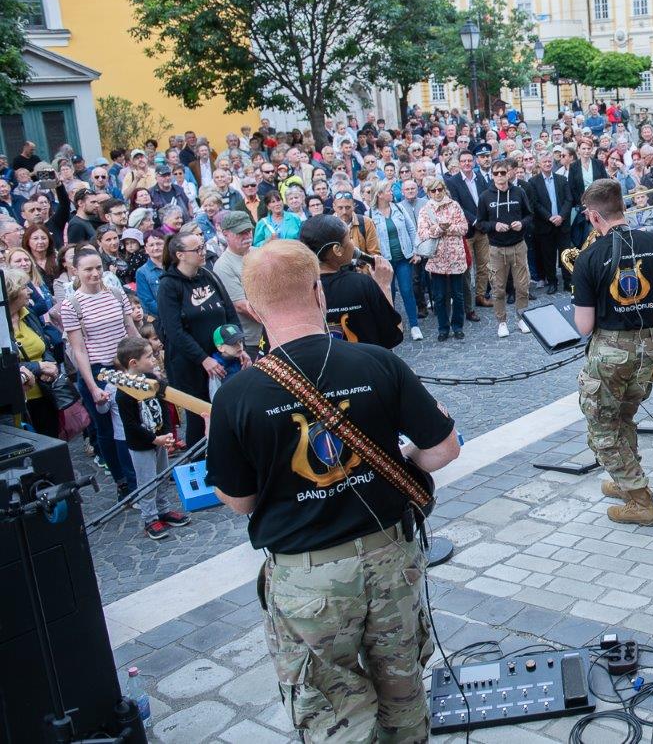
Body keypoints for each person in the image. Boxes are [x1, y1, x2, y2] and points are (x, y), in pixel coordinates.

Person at [204, 239, 461, 744]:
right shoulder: (377, 363)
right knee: (404, 691)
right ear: (318, 292)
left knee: (332, 713)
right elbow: (444, 449)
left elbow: (239, 501)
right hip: (390, 556)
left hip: (308, 579)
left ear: (252, 309)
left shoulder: (236, 395)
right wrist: (400, 460)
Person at [572, 179, 653, 526]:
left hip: (609, 353)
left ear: (594, 216)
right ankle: (626, 479)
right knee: (623, 418)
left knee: (602, 428)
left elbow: (584, 326)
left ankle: (641, 500)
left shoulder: (589, 257)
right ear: (622, 207)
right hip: (648, 348)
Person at [61, 247, 140, 501]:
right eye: (88, 269)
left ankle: (141, 476)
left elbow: (131, 330)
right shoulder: (71, 304)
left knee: (133, 422)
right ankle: (123, 482)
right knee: (107, 430)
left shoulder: (116, 294)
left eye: (98, 268)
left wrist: (147, 361)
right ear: (76, 271)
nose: (95, 274)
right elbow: (79, 350)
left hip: (124, 366)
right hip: (98, 371)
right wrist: (93, 386)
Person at [156, 230, 242, 444]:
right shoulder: (169, 285)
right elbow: (174, 331)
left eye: (203, 247)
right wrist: (203, 359)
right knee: (199, 418)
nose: (203, 252)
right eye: (197, 249)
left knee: (228, 413)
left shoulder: (209, 275)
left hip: (223, 359)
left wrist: (239, 347)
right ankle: (199, 460)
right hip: (190, 365)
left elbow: (230, 313)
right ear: (180, 255)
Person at [110, 336, 189, 540]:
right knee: (147, 482)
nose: (154, 359)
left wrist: (168, 433)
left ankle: (163, 510)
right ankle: (150, 518)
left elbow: (164, 406)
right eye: (149, 356)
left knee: (163, 476)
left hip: (160, 439)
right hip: (142, 445)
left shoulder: (152, 380)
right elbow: (131, 425)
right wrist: (155, 439)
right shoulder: (124, 392)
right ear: (133, 363)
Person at [299, 214, 402, 348]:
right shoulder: (362, 284)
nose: (353, 243)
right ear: (337, 250)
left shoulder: (299, 289)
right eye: (349, 238)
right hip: (365, 359)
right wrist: (384, 285)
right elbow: (393, 335)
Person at [477, 159, 533, 338]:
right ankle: (501, 322)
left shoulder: (519, 192)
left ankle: (522, 318)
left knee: (522, 286)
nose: (500, 176)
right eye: (496, 173)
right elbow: (480, 223)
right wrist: (494, 226)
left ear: (508, 173)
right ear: (492, 175)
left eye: (503, 172)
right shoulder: (485, 196)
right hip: (496, 249)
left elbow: (529, 215)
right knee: (498, 288)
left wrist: (522, 223)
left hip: (518, 246)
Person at [7, 269, 60, 437]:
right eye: (24, 287)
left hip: (44, 393)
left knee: (52, 440)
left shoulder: (28, 314)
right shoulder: (2, 325)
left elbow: (44, 345)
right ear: (11, 292)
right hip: (19, 402)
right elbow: (6, 364)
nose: (30, 291)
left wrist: (50, 365)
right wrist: (38, 367)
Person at [369, 180, 423, 341]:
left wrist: (416, 251)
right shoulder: (370, 214)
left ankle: (414, 326)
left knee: (407, 291)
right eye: (388, 190)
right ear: (379, 194)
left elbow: (411, 229)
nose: (392, 192)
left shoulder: (398, 208)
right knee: (388, 294)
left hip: (403, 258)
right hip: (384, 261)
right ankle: (392, 326)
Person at [418, 176, 469, 341]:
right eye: (433, 190)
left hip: (455, 256)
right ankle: (443, 328)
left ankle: (458, 326)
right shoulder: (425, 210)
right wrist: (438, 230)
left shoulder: (454, 205)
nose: (437, 193)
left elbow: (464, 228)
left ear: (444, 189)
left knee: (458, 295)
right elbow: (422, 233)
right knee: (439, 297)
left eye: (440, 189)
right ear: (428, 192)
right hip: (436, 258)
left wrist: (448, 227)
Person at [445, 151, 491, 311]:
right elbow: (457, 205)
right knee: (467, 268)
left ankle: (481, 296)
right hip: (466, 232)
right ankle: (468, 305)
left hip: (483, 230)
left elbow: (487, 199)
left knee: (484, 265)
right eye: (464, 161)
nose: (467, 163)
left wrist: (485, 220)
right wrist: (476, 220)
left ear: (474, 162)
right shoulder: (452, 181)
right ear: (459, 163)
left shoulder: (480, 178)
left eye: (469, 160)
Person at [212, 211, 264, 352]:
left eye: (249, 231)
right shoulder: (223, 265)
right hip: (254, 340)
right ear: (226, 234)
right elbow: (240, 306)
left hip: (274, 332)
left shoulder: (260, 253)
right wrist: (275, 317)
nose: (247, 236)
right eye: (241, 233)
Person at [528, 150, 572, 295]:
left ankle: (568, 282)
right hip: (545, 225)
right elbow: (535, 204)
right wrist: (550, 217)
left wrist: (561, 216)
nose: (547, 164)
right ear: (539, 164)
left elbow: (569, 200)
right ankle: (552, 282)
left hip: (562, 224)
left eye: (549, 161)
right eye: (544, 162)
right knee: (548, 256)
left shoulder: (562, 179)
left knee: (565, 254)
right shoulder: (533, 182)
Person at [207, 323, 244, 398]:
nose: (240, 346)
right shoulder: (216, 369)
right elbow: (215, 396)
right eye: (234, 343)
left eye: (240, 341)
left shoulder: (243, 360)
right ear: (221, 348)